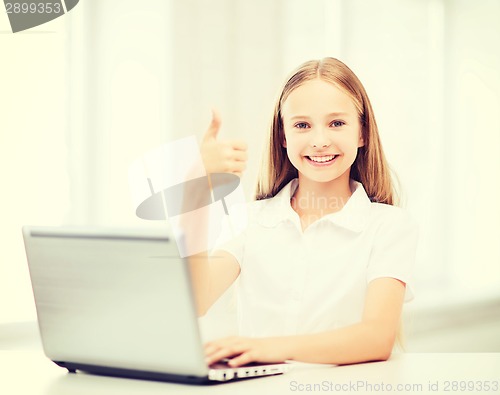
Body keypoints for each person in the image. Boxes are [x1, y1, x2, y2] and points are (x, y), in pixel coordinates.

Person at [188, 57, 418, 367]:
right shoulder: (247, 220)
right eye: (302, 125)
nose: (320, 141)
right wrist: (196, 188)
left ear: (361, 133)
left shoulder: (389, 226)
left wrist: (268, 348)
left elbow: (376, 338)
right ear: (283, 137)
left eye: (337, 123)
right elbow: (197, 299)